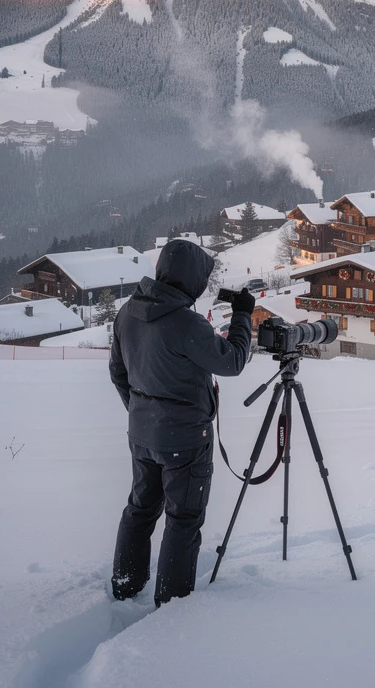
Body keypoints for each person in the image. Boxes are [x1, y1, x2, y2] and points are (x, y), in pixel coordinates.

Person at [109, 239, 253, 608]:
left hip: (142, 435)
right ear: (191, 281)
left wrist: (142, 411)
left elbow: (118, 372)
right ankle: (172, 604)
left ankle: (125, 584)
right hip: (185, 440)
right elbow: (233, 361)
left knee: (140, 509)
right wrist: (242, 316)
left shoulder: (127, 312)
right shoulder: (185, 323)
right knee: (183, 518)